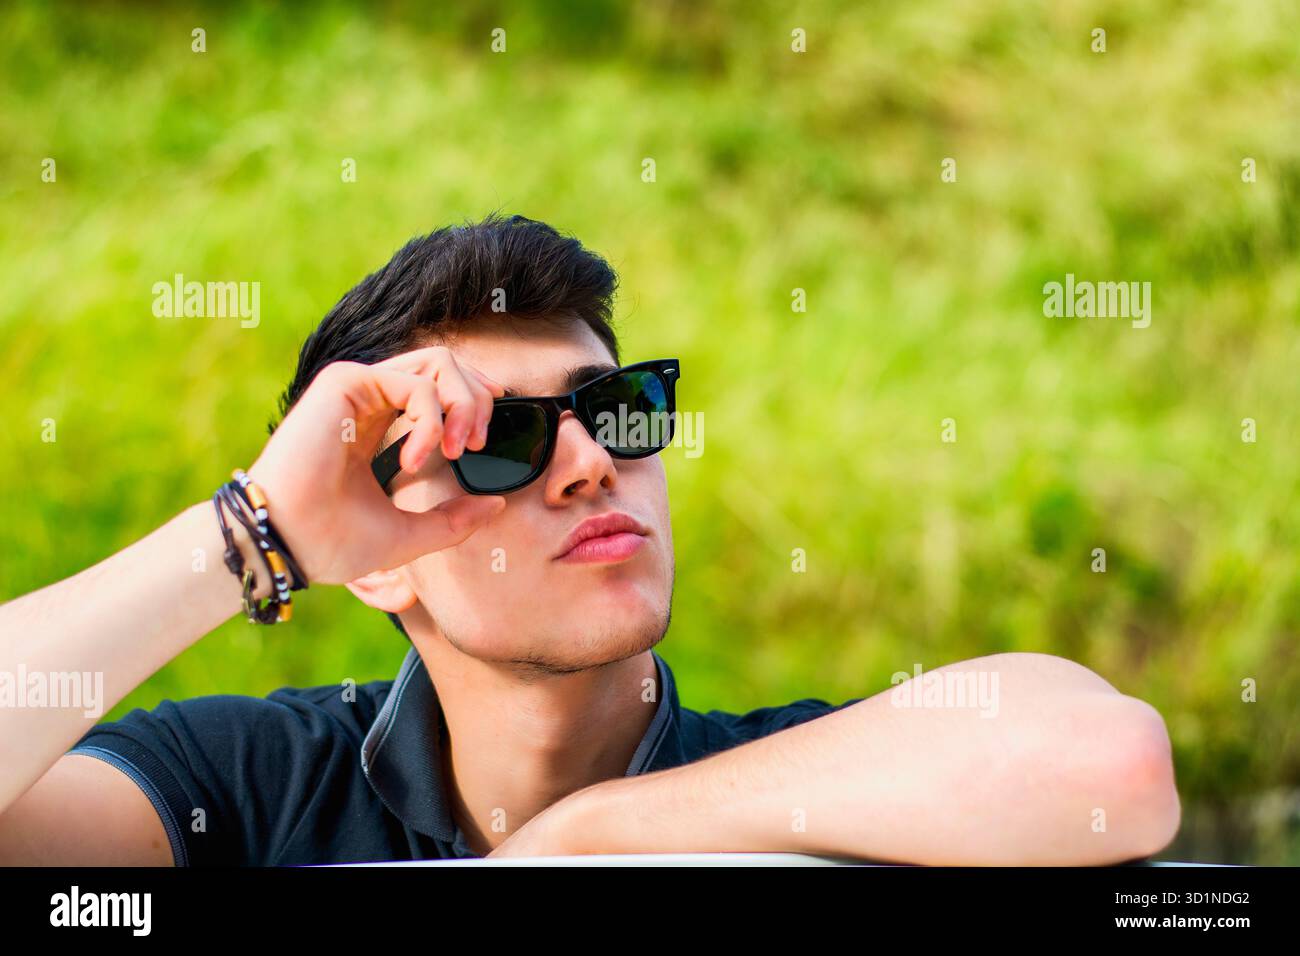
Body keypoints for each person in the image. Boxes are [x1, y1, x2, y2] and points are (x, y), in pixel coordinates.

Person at [0, 214, 1181, 865]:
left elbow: (1107, 764)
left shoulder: (799, 786)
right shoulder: (250, 796)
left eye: (616, 409)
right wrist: (252, 534)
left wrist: (589, 837)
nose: (590, 460)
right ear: (378, 559)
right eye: (500, 441)